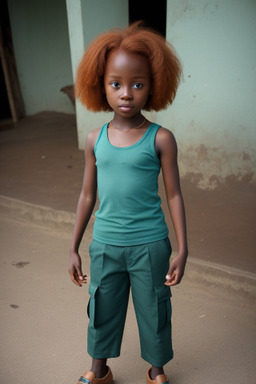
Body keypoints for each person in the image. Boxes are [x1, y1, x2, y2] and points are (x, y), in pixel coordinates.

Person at [69, 21, 188, 384]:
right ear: (100, 85)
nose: (126, 93)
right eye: (115, 83)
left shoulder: (161, 139)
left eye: (137, 84)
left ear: (153, 85)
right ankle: (100, 369)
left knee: (154, 307)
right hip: (105, 244)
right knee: (102, 306)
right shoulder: (95, 139)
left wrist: (183, 248)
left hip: (150, 245)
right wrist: (73, 246)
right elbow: (87, 194)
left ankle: (156, 370)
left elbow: (174, 195)